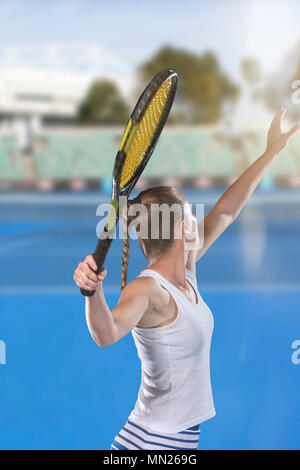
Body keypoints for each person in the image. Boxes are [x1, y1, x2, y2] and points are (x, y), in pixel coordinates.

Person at [73, 108, 299, 450]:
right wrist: (92, 293)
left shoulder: (186, 274)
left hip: (168, 441)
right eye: (193, 213)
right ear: (182, 228)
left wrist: (270, 153)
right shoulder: (149, 289)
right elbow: (106, 334)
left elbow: (226, 212)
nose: (200, 218)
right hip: (154, 444)